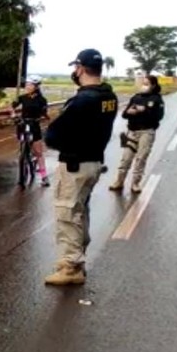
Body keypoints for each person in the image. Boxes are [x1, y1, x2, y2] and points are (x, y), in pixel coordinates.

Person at [43, 49, 118, 286]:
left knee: (67, 214)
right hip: (94, 162)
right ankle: (77, 257)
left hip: (75, 165)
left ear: (81, 68)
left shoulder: (83, 100)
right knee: (80, 211)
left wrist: (54, 135)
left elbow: (53, 136)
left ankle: (71, 266)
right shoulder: (109, 97)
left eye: (76, 68)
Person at [110, 75, 165, 193]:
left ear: (153, 85)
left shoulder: (157, 99)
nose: (144, 86)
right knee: (126, 158)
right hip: (132, 131)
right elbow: (124, 114)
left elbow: (159, 117)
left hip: (146, 132)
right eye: (143, 83)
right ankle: (119, 181)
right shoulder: (136, 97)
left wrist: (145, 110)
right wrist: (130, 112)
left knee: (141, 158)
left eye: (147, 84)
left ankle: (135, 183)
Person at [10, 76, 51, 186]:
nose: (27, 86)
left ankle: (44, 176)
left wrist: (44, 117)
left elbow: (44, 112)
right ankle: (24, 160)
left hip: (34, 125)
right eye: (26, 84)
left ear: (36, 86)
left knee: (38, 152)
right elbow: (12, 106)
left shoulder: (42, 100)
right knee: (23, 146)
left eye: (30, 85)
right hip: (23, 124)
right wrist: (13, 114)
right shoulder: (22, 97)